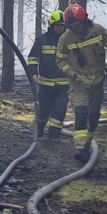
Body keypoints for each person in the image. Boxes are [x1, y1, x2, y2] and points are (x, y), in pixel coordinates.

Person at [55, 3, 107, 162]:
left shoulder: (98, 31)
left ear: (85, 20)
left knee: (93, 115)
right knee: (80, 113)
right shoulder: (65, 39)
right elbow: (59, 59)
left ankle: (87, 142)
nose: (76, 28)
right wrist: (71, 73)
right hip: (79, 84)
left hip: (98, 82)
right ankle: (79, 148)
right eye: (72, 26)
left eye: (78, 24)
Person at [27, 10, 69, 141]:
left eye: (62, 25)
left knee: (59, 111)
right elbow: (33, 58)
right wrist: (34, 72)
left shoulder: (69, 40)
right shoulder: (42, 40)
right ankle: (38, 133)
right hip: (45, 84)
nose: (60, 28)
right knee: (43, 111)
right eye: (57, 25)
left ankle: (53, 136)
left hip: (64, 85)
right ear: (51, 25)